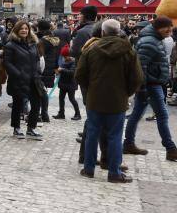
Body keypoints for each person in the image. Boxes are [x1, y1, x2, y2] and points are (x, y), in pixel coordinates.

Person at [76, 19, 143, 183]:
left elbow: (79, 75)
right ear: (119, 32)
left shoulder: (91, 49)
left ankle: (89, 168)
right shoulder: (128, 51)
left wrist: (91, 88)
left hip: (95, 99)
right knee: (115, 136)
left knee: (92, 134)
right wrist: (126, 93)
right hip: (117, 100)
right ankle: (114, 172)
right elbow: (137, 78)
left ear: (103, 32)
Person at [123, 15, 177, 161]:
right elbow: (141, 67)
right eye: (168, 27)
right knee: (162, 115)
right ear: (158, 28)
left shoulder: (155, 39)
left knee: (136, 114)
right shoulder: (150, 41)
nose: (170, 30)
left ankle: (128, 143)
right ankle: (171, 149)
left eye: (171, 27)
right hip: (150, 85)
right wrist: (143, 87)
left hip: (150, 84)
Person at [3, 20, 43, 140]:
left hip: (33, 79)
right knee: (18, 105)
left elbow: (37, 59)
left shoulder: (33, 44)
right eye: (22, 29)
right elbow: (7, 63)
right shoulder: (10, 45)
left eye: (26, 29)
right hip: (18, 80)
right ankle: (16, 128)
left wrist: (38, 72)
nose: (24, 30)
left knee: (36, 104)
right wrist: (18, 74)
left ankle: (31, 128)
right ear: (16, 30)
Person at [37, 20, 60, 123]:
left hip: (42, 68)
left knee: (39, 91)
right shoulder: (53, 39)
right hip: (50, 67)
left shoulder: (42, 41)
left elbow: (39, 55)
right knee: (43, 90)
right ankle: (44, 113)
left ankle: (41, 114)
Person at [53, 45, 81, 120]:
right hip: (63, 83)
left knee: (72, 98)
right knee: (61, 98)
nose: (64, 58)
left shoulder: (74, 61)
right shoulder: (63, 60)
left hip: (71, 84)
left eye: (66, 56)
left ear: (70, 55)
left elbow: (72, 72)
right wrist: (58, 72)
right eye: (63, 56)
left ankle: (78, 114)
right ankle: (61, 113)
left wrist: (61, 70)